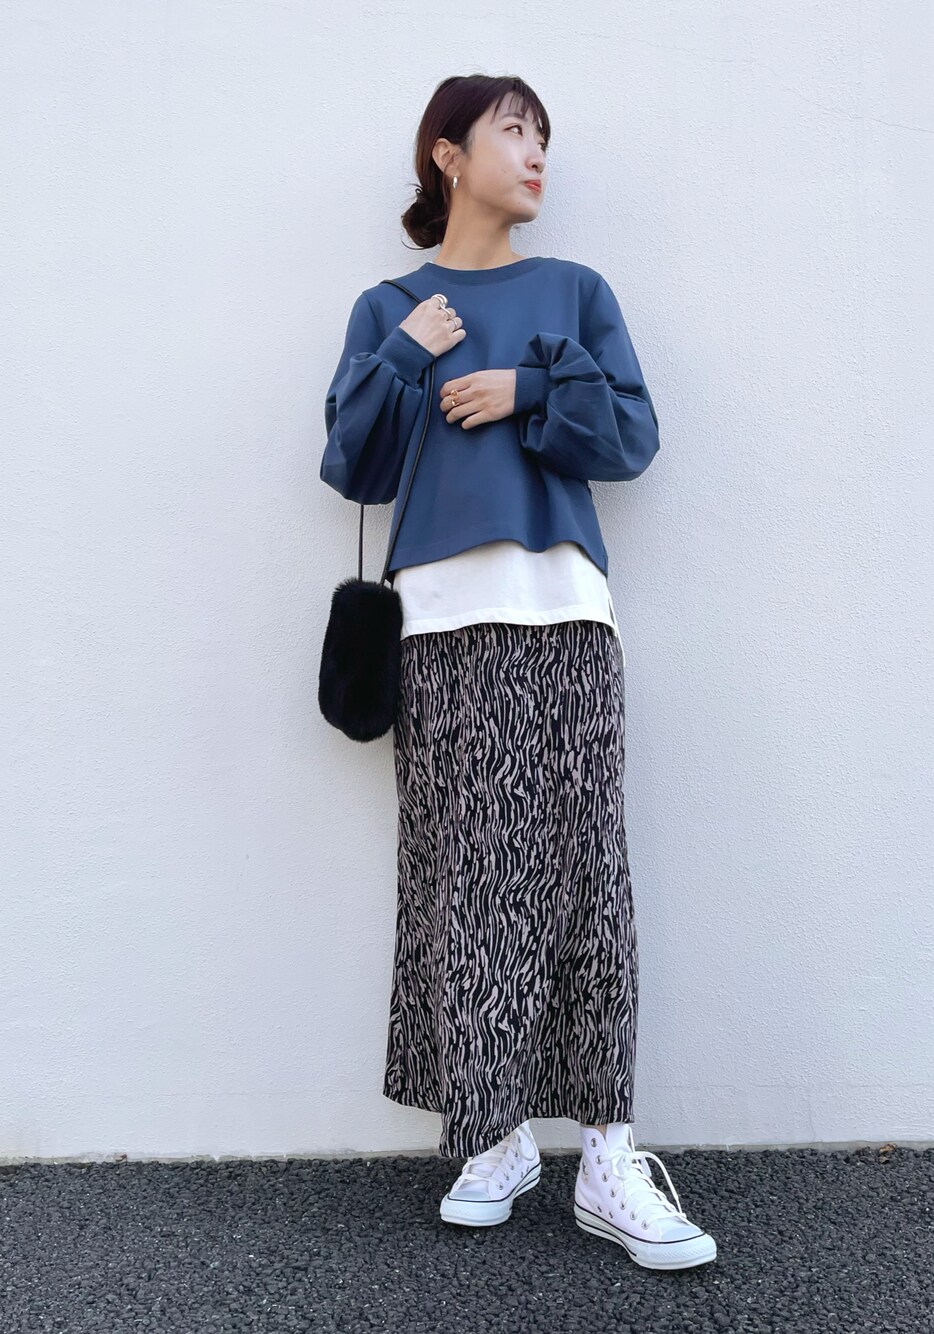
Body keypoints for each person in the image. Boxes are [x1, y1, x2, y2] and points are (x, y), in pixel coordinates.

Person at [320, 73, 717, 1272]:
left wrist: (528, 389)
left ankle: (606, 1152)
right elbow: (353, 466)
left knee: (591, 875)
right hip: (441, 627)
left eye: (545, 135)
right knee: (465, 879)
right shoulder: (391, 306)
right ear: (448, 155)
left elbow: (631, 437)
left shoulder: (575, 292)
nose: (538, 153)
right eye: (513, 131)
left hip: (567, 613)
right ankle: (491, 1137)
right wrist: (408, 352)